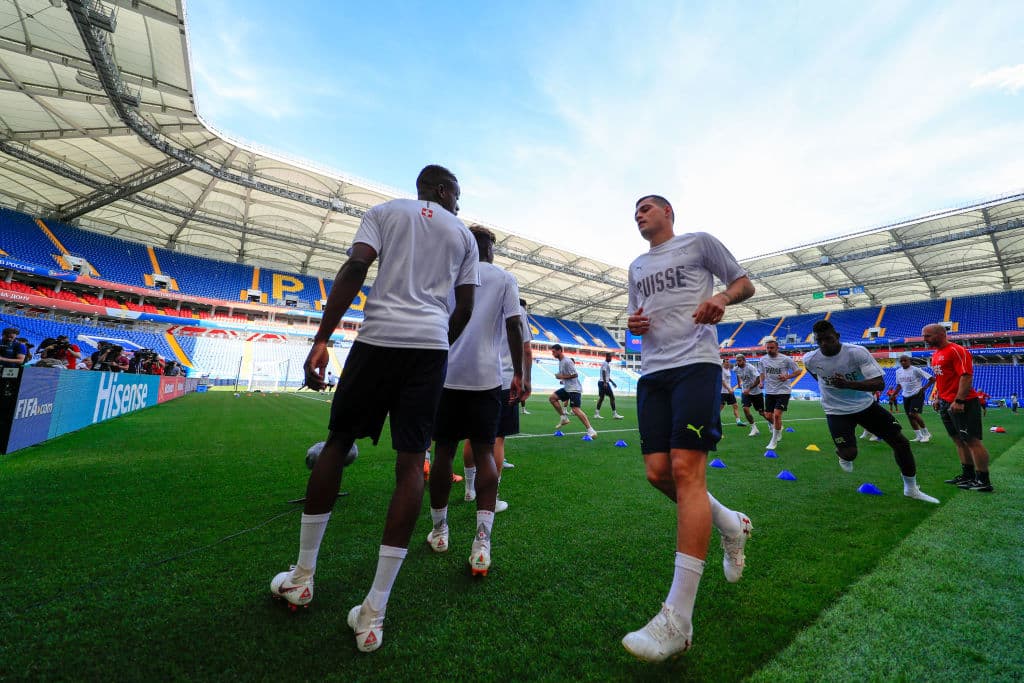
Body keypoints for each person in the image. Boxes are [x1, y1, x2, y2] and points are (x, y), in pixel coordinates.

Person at [269, 165, 479, 653]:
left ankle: (302, 577)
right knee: (411, 465)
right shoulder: (464, 235)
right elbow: (465, 307)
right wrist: (436, 340)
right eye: (457, 194)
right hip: (428, 350)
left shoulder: (384, 212)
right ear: (443, 190)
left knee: (337, 444)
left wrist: (322, 339)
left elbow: (355, 268)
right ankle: (374, 613)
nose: (458, 203)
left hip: (377, 340)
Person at [622, 194, 755, 662]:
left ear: (668, 213)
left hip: (696, 364)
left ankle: (678, 619)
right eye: (635, 211)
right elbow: (635, 321)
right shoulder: (636, 266)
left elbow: (744, 283)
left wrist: (720, 297)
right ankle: (731, 524)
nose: (639, 214)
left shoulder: (699, 242)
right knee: (657, 473)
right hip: (652, 372)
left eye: (646, 207)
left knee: (685, 470)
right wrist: (634, 324)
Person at [426, 225, 523, 572]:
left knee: (444, 452)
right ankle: (482, 543)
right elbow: (514, 325)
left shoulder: (449, 274)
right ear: (490, 250)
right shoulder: (504, 278)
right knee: (485, 453)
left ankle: (440, 531)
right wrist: (519, 373)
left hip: (448, 376)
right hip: (486, 379)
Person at [802, 320, 939, 504]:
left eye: (828, 339)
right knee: (850, 453)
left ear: (837, 337)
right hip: (836, 410)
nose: (824, 344)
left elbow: (879, 384)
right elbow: (817, 376)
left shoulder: (856, 352)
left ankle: (911, 489)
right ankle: (843, 453)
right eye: (819, 341)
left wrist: (848, 384)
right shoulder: (810, 359)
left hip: (865, 406)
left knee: (901, 443)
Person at [922, 324, 994, 492]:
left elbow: (966, 376)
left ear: (941, 334)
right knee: (958, 440)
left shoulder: (956, 350)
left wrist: (959, 400)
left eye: (928, 336)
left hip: (963, 402)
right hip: (946, 402)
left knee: (972, 441)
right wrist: (938, 397)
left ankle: (983, 480)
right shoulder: (936, 354)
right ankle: (968, 475)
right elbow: (942, 379)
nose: (924, 339)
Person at [548, 344, 597, 438]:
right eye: (552, 352)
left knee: (575, 409)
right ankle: (564, 418)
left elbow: (575, 374)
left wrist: (561, 376)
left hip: (574, 389)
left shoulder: (567, 361)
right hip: (567, 388)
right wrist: (562, 379)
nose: (552, 354)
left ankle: (591, 430)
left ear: (559, 351)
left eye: (554, 352)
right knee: (552, 398)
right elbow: (566, 375)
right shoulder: (561, 362)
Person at [759, 337, 799, 450]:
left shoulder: (786, 359)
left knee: (776, 415)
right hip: (769, 391)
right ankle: (779, 427)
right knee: (768, 416)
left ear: (777, 348)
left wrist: (787, 376)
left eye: (772, 348)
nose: (769, 350)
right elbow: (762, 373)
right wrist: (761, 382)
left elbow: (798, 371)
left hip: (783, 391)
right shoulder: (762, 360)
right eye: (767, 348)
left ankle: (774, 440)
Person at [893, 355, 935, 442]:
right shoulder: (898, 371)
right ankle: (919, 436)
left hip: (917, 394)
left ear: (909, 361)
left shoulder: (916, 370)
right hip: (905, 395)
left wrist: (925, 388)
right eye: (901, 361)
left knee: (913, 414)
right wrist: (893, 394)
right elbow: (899, 385)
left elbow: (932, 379)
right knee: (909, 416)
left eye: (905, 360)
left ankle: (926, 434)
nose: (903, 362)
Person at [733, 353, 763, 437]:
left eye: (740, 361)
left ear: (744, 361)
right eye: (737, 361)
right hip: (745, 392)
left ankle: (771, 424)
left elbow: (758, 378)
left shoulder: (751, 368)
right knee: (745, 408)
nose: (738, 362)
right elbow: (737, 374)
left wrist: (750, 388)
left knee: (762, 413)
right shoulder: (736, 368)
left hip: (756, 392)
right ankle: (754, 428)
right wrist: (739, 383)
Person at [594, 352, 623, 419]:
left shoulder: (605, 364)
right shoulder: (605, 364)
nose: (611, 358)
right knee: (612, 397)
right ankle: (614, 414)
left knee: (601, 398)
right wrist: (605, 382)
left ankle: (596, 414)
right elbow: (604, 372)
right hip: (603, 383)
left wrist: (612, 382)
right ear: (607, 357)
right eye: (610, 357)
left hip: (601, 382)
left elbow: (607, 376)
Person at [720, 358, 743, 427]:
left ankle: (738, 421)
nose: (728, 363)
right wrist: (729, 389)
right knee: (720, 407)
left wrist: (731, 389)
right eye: (726, 362)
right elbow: (722, 381)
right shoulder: (722, 370)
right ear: (723, 363)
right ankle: (716, 421)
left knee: (735, 405)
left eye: (728, 362)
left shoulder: (728, 370)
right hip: (723, 392)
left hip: (729, 392)